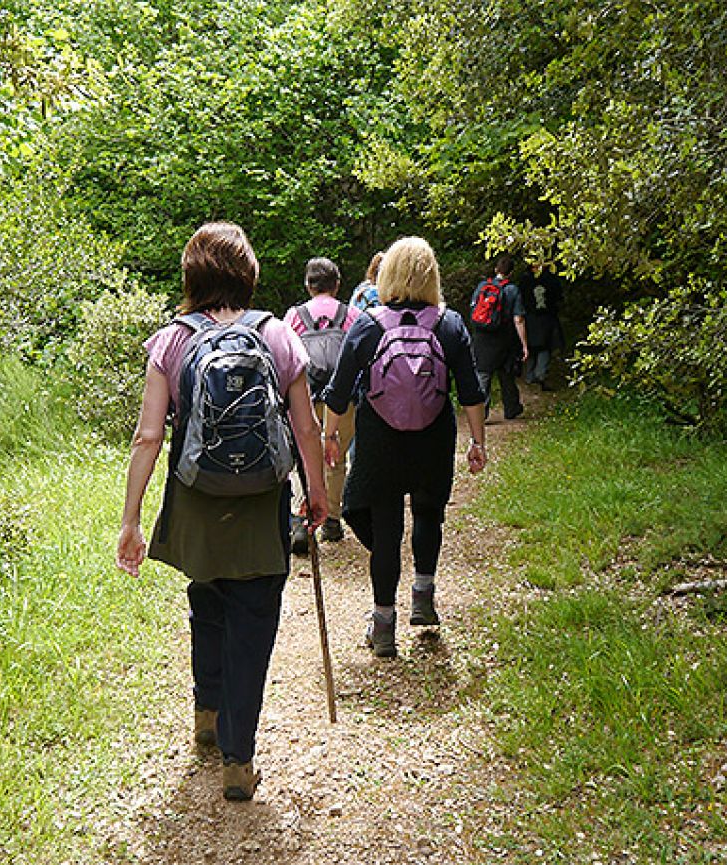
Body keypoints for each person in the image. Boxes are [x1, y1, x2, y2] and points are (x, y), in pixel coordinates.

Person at [116, 222, 329, 802]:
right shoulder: (279, 337)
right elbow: (306, 427)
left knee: (205, 599)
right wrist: (317, 491)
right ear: (249, 273)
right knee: (253, 620)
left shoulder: (170, 342)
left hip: (196, 498)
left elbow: (147, 437)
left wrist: (131, 519)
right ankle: (239, 756)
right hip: (261, 501)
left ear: (191, 276)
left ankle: (206, 714)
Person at [322, 236, 487, 658]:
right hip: (433, 436)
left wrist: (330, 437)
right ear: (431, 274)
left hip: (381, 441)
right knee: (430, 512)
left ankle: (382, 626)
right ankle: (423, 596)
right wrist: (477, 441)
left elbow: (338, 392)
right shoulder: (448, 324)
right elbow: (470, 390)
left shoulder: (367, 324)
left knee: (386, 527)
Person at [283, 257, 360, 550]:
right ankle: (331, 519)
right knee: (337, 458)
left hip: (304, 397)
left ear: (308, 284)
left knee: (304, 457)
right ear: (337, 284)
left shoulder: (294, 316)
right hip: (341, 402)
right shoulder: (351, 314)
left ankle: (303, 521)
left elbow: (284, 358)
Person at [469, 255, 528, 420]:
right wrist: (524, 344)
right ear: (511, 272)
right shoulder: (512, 290)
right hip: (504, 338)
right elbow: (518, 319)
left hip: (482, 337)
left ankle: (481, 413)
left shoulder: (482, 286)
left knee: (483, 375)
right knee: (506, 374)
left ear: (496, 270)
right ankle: (511, 409)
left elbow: (473, 312)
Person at [522, 262, 564, 388]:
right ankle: (539, 374)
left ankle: (531, 375)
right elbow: (558, 297)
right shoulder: (551, 279)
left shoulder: (525, 280)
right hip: (546, 318)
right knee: (544, 346)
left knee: (532, 346)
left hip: (531, 318)